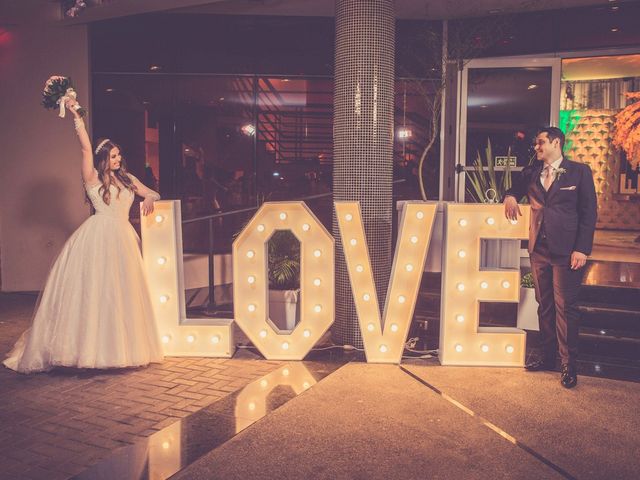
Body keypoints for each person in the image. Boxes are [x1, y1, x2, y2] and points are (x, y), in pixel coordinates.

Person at [3, 100, 164, 373]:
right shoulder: (92, 178)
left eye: (119, 156)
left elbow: (154, 192)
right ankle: (87, 350)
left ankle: (119, 350)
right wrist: (76, 115)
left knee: (120, 294)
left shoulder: (127, 179)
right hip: (98, 236)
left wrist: (148, 197)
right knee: (95, 293)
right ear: (103, 159)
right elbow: (86, 147)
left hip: (123, 238)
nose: (118, 160)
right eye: (113, 156)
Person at [503, 126, 597, 389]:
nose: (536, 147)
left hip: (567, 251)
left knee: (565, 307)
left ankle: (569, 364)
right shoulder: (532, 172)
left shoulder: (579, 172)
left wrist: (582, 248)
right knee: (543, 304)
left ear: (556, 143)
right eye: (536, 144)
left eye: (541, 142)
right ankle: (547, 357)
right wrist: (510, 196)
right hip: (539, 250)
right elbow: (514, 187)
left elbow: (589, 213)